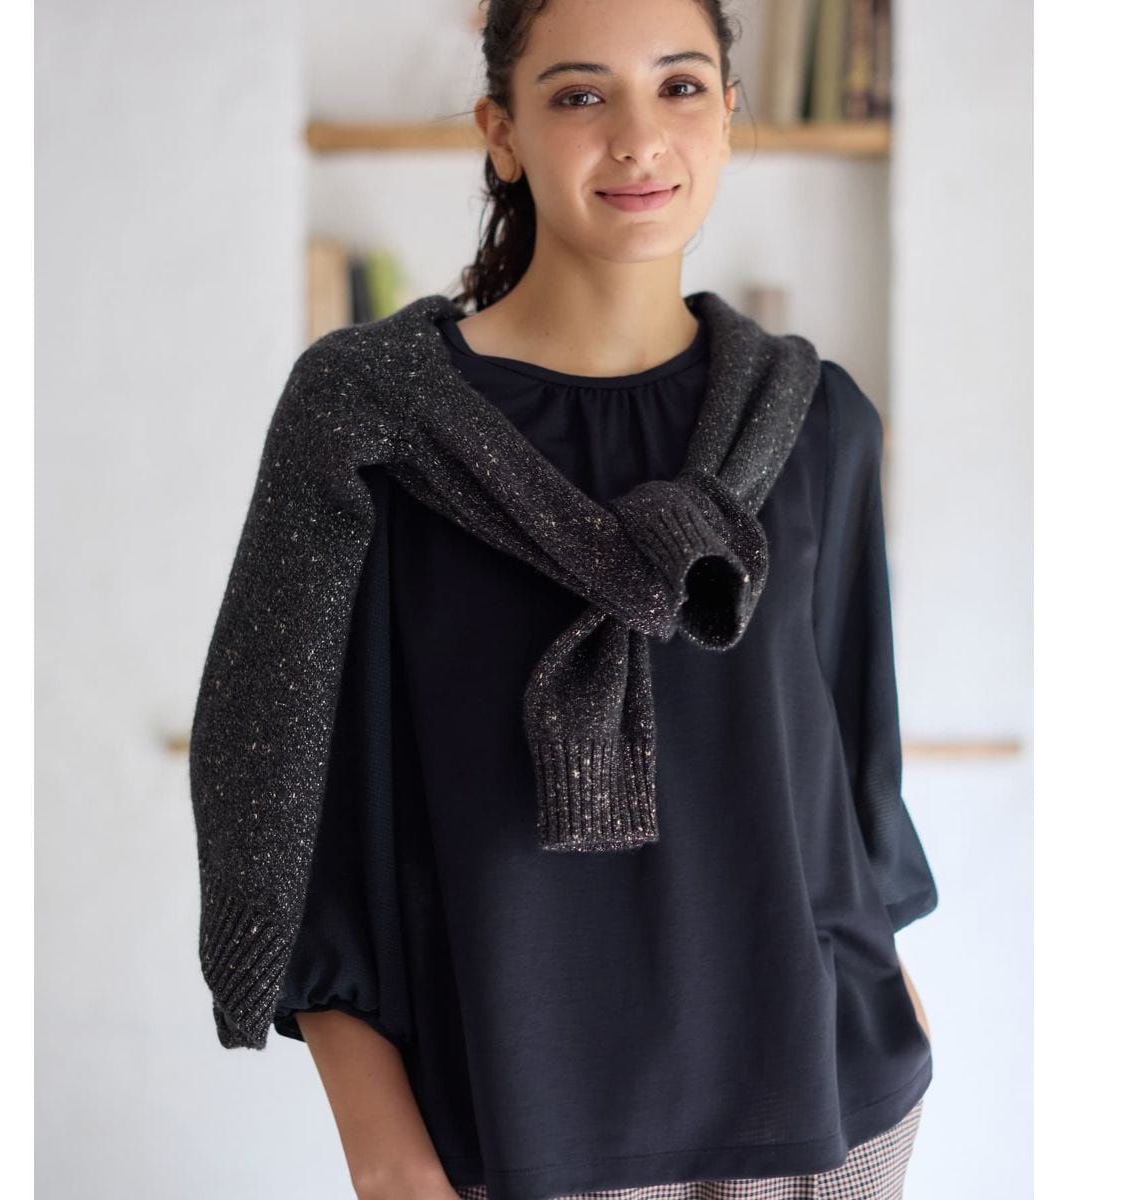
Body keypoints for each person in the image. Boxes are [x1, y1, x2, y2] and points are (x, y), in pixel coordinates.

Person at [188, 1, 939, 1198]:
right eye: (581, 95)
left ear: (728, 114)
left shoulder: (815, 420)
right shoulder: (368, 419)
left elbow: (853, 775)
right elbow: (276, 787)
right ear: (503, 132)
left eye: (679, 87)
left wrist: (903, 1022)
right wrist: (384, 1150)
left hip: (827, 1115)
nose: (639, 138)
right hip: (514, 1130)